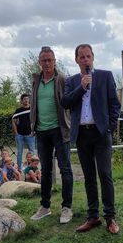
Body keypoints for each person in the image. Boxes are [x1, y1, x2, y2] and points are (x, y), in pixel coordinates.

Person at [61, 43, 121, 234]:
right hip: (82, 134)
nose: (85, 60)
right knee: (89, 177)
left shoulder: (105, 76)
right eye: (82, 57)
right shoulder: (71, 81)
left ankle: (110, 217)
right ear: (76, 60)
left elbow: (114, 104)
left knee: (105, 174)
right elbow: (66, 102)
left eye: (88, 56)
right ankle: (93, 216)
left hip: (101, 133)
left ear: (93, 57)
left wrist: (109, 127)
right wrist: (82, 87)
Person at [29, 46, 74, 224]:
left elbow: (70, 102)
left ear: (55, 61)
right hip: (41, 131)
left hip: (59, 130)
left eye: (50, 60)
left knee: (65, 169)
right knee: (46, 170)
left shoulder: (61, 79)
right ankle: (45, 206)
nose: (47, 63)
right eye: (44, 60)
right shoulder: (36, 81)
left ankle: (66, 207)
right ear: (39, 62)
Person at [12, 94, 36, 169]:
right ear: (22, 100)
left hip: (30, 135)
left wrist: (34, 131)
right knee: (19, 153)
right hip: (20, 135)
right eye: (24, 99)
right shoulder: (18, 110)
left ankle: (32, 168)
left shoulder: (32, 109)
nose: (26, 100)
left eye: (27, 99)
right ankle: (19, 168)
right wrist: (16, 133)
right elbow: (13, 120)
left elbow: (36, 120)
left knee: (32, 152)